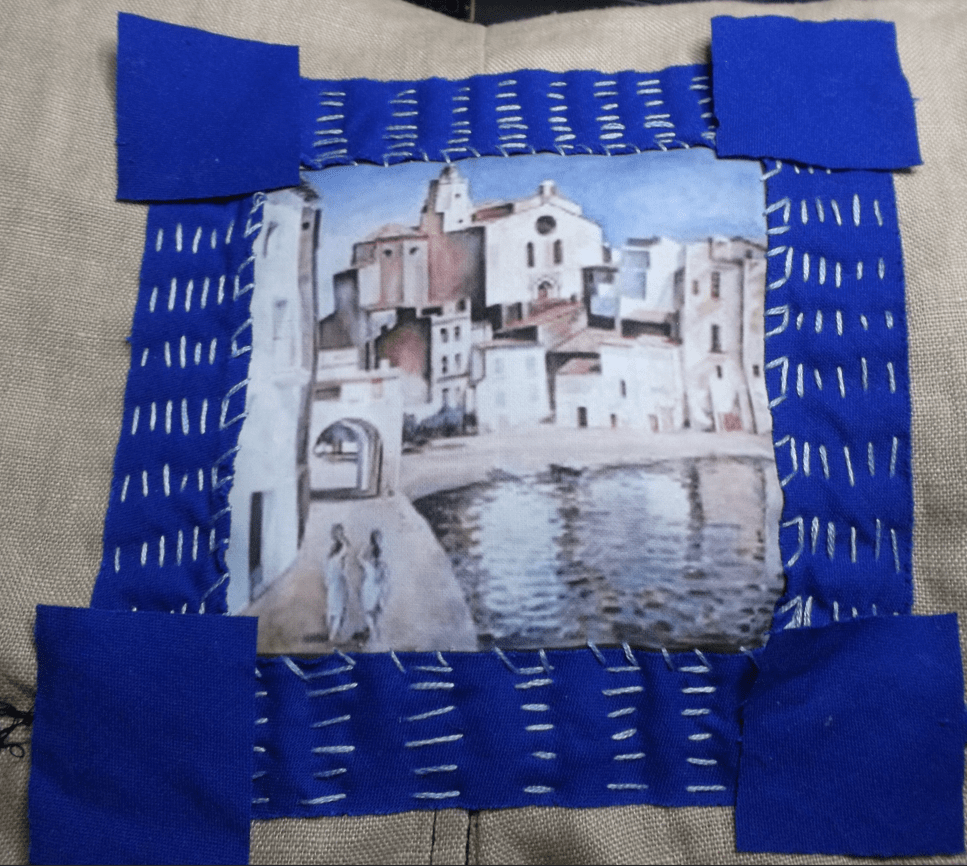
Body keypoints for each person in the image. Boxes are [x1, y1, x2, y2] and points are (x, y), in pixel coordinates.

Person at [359, 529, 389, 645]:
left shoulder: (371, 565)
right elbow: (385, 580)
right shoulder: (381, 565)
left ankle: (374, 637)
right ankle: (375, 637)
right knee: (374, 616)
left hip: (371, 591)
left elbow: (359, 557)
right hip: (375, 591)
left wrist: (366, 547)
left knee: (371, 616)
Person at [324, 523, 350, 643]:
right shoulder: (335, 548)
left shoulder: (341, 547)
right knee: (334, 608)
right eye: (335, 532)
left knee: (336, 608)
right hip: (334, 579)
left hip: (337, 579)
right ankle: (332, 633)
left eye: (336, 532)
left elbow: (345, 551)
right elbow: (331, 563)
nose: (333, 534)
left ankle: (333, 633)